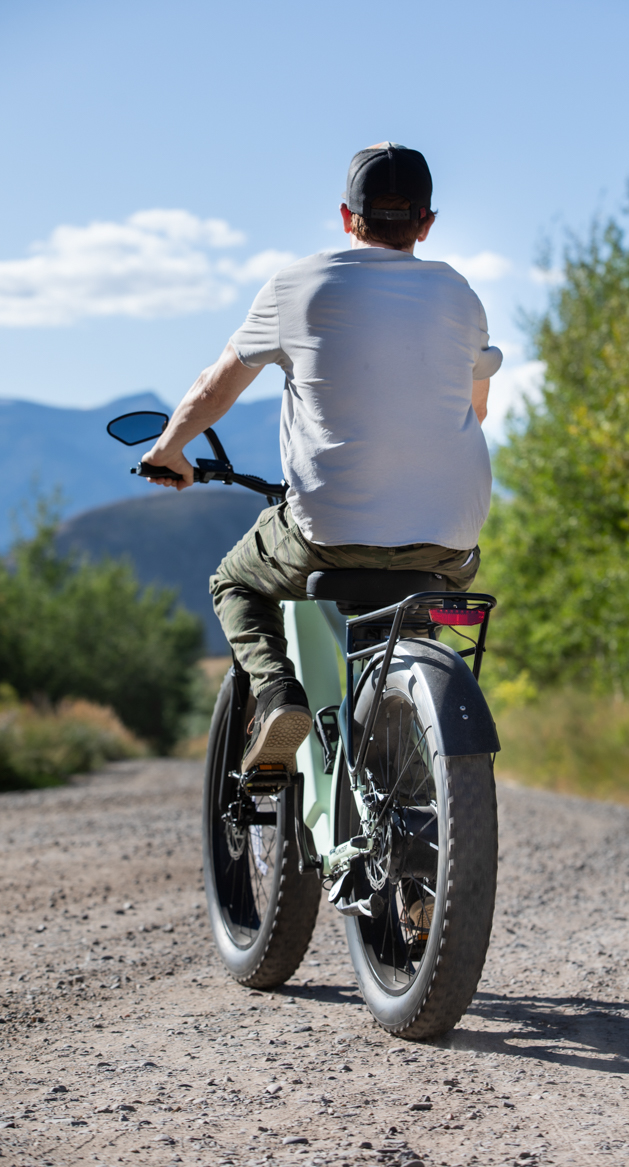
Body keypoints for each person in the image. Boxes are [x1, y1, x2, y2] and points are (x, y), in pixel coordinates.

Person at [142, 143, 503, 773]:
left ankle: (280, 697)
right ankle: (407, 754)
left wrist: (168, 450)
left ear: (347, 217)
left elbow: (215, 388)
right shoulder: (458, 294)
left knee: (233, 581)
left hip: (328, 534)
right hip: (450, 539)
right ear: (426, 223)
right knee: (406, 619)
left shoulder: (298, 285)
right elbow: (476, 407)